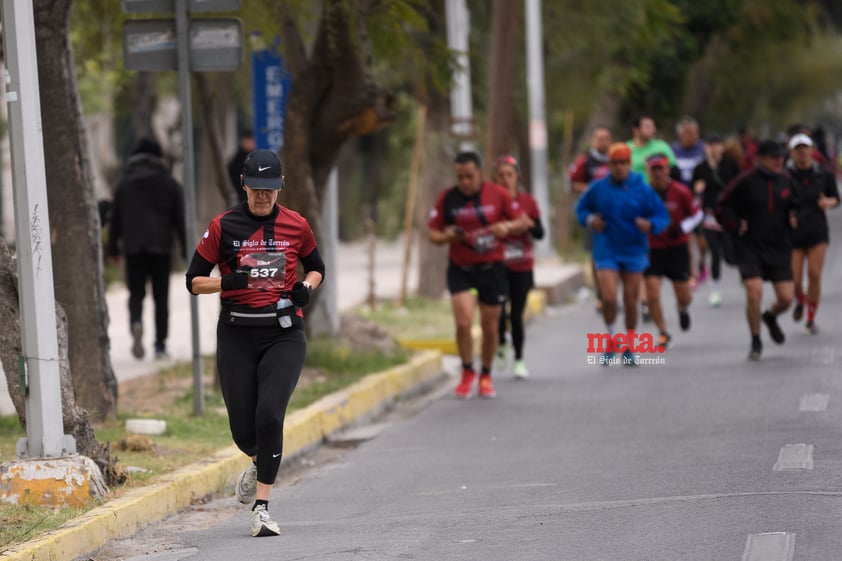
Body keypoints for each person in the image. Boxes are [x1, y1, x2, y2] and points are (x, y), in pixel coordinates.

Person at [185, 149, 325, 537]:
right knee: (243, 428)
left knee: (269, 415)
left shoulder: (297, 225)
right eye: (256, 189)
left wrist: (305, 289)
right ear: (243, 185)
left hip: (284, 334)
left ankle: (262, 508)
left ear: (280, 188)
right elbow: (193, 281)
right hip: (236, 334)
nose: (263, 197)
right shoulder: (223, 226)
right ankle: (257, 459)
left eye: (270, 190)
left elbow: (317, 268)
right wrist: (226, 282)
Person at [428, 151, 527, 398]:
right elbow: (433, 233)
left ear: (480, 174)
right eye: (460, 177)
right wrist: (448, 235)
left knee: (490, 326)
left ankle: (485, 374)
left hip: (492, 268)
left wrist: (507, 227)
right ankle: (467, 371)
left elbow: (523, 222)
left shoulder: (498, 194)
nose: (464, 182)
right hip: (461, 269)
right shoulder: (447, 199)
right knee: (463, 323)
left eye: (469, 176)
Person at [576, 143, 670, 365]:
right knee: (608, 298)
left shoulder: (643, 188)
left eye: (623, 163)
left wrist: (650, 225)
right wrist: (591, 220)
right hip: (607, 248)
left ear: (629, 164)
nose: (619, 167)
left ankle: (628, 345)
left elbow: (661, 216)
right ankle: (610, 337)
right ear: (609, 165)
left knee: (630, 300)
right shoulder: (598, 188)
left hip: (634, 249)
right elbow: (581, 210)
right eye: (615, 163)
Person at [716, 140, 800, 361]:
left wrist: (795, 217)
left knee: (786, 298)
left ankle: (770, 317)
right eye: (774, 157)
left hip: (778, 247)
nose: (779, 161)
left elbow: (797, 205)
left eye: (781, 157)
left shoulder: (786, 181)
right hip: (750, 246)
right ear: (761, 158)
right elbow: (721, 206)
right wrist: (733, 224)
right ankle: (755, 339)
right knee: (754, 291)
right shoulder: (745, 181)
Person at [108, 137, 186, 360]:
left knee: (136, 294)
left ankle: (136, 322)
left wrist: (113, 249)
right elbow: (179, 219)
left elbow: (116, 219)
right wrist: (185, 250)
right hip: (161, 247)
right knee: (161, 298)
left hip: (133, 247)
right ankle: (160, 345)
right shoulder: (169, 183)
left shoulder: (124, 183)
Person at [643, 154, 703, 350]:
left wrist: (683, 227)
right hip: (652, 249)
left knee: (684, 295)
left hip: (676, 248)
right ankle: (662, 331)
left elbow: (697, 214)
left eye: (661, 168)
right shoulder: (643, 193)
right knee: (651, 294)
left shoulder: (680, 191)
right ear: (648, 171)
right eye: (653, 169)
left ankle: (682, 308)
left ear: (668, 170)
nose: (657, 173)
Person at [493, 155, 544, 379]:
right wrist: (514, 227)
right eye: (501, 175)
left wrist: (530, 225)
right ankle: (501, 342)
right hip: (498, 264)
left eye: (509, 175)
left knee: (516, 315)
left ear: (517, 177)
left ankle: (519, 360)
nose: (505, 179)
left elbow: (540, 233)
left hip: (522, 264)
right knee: (497, 311)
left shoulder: (528, 202)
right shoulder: (491, 203)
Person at [786, 133, 840, 334]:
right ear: (791, 152)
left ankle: (810, 317)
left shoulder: (823, 174)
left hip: (817, 229)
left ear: (812, 150)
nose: (802, 152)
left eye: (805, 148)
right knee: (796, 281)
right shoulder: (786, 176)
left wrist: (828, 202)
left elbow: (836, 198)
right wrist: (787, 215)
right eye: (798, 148)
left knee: (815, 275)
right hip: (794, 233)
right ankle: (800, 300)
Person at [691, 133, 741, 307]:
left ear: (722, 146)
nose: (713, 148)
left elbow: (740, 186)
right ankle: (715, 290)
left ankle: (744, 271)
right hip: (709, 215)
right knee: (715, 251)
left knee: (730, 255)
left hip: (727, 215)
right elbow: (693, 192)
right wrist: (697, 190)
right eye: (710, 145)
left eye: (716, 144)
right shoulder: (700, 168)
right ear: (705, 147)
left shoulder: (730, 165)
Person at [569, 126, 612, 311]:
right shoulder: (585, 161)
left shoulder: (616, 160)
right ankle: (600, 293)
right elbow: (572, 184)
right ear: (593, 141)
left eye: (606, 138)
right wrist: (590, 190)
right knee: (595, 256)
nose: (603, 142)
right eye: (599, 139)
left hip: (615, 215)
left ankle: (613, 291)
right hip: (594, 216)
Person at [671, 117, 708, 288]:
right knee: (686, 239)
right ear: (680, 134)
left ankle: (702, 263)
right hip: (680, 201)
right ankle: (691, 274)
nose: (692, 136)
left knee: (702, 242)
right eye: (688, 133)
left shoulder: (702, 150)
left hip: (698, 201)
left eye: (695, 133)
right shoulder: (673, 151)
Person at [227, 130, 256, 204]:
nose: (250, 143)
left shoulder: (256, 156)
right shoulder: (238, 157)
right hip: (241, 191)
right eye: (248, 140)